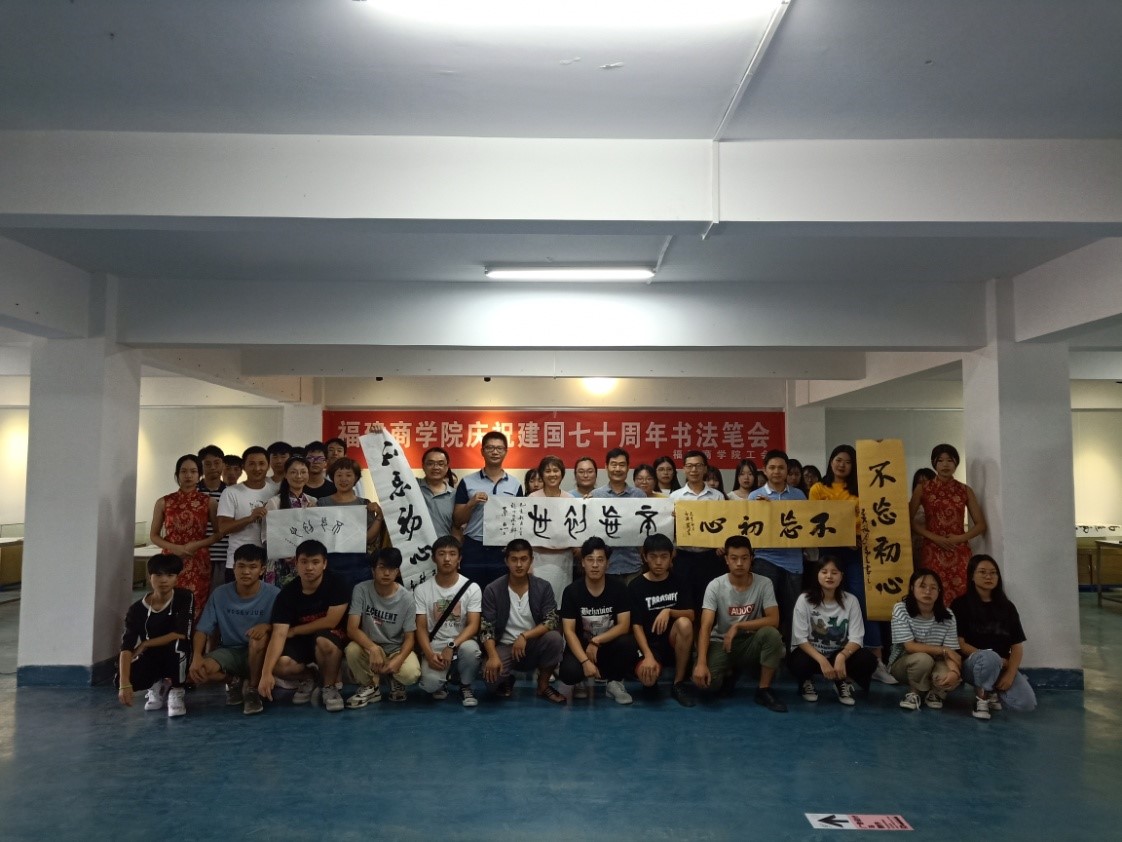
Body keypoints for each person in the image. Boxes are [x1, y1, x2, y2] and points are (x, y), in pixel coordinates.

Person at [809, 444, 894, 684]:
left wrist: (858, 538)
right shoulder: (818, 488)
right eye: (838, 459)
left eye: (848, 461)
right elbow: (813, 521)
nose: (842, 465)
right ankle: (833, 657)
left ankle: (875, 659)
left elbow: (870, 520)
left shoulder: (862, 490)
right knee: (830, 603)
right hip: (828, 553)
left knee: (862, 601)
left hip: (856, 553)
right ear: (831, 461)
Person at [692, 535, 787, 712]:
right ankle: (730, 671)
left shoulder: (764, 583)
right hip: (722, 642)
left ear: (752, 559)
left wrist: (738, 626)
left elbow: (774, 619)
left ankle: (764, 689)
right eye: (734, 558)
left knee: (772, 634)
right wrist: (701, 663)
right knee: (706, 684)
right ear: (726, 560)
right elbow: (705, 626)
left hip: (751, 641)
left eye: (744, 558)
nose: (739, 563)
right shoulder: (715, 585)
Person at [258, 539, 350, 713]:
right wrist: (266, 673)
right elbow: (279, 634)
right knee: (278, 664)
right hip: (301, 642)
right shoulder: (287, 594)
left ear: (324, 564)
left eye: (315, 562)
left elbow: (331, 621)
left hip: (328, 636)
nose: (309, 567)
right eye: (304, 562)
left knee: (324, 642)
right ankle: (310, 676)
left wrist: (294, 630)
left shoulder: (338, 583)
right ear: (296, 563)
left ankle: (329, 687)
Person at [187, 544, 279, 715]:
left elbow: (286, 627)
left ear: (262, 570)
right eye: (241, 566)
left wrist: (267, 627)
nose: (246, 572)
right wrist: (197, 656)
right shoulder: (220, 594)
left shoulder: (274, 594)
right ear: (233, 567)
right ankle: (234, 681)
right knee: (198, 671)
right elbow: (202, 629)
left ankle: (252, 690)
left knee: (258, 639)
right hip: (230, 651)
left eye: (252, 567)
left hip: (260, 653)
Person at [951, 554, 1037, 720]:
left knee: (1025, 704)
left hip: (1001, 666)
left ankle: (991, 689)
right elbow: (959, 643)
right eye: (982, 572)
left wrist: (1010, 673)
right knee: (990, 658)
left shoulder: (1007, 607)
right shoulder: (960, 605)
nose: (988, 576)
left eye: (993, 573)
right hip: (971, 665)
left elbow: (1017, 646)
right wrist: (992, 659)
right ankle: (981, 699)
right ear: (972, 576)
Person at [481, 539, 566, 704]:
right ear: (506, 561)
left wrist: (525, 636)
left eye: (523, 559)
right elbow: (487, 628)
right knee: (490, 681)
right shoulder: (493, 589)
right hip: (504, 646)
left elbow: (552, 620)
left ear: (531, 560)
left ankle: (543, 685)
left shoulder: (543, 587)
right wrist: (492, 656)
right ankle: (506, 679)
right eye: (514, 559)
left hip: (532, 644)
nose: (519, 564)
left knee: (555, 639)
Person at [788, 555, 877, 706]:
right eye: (824, 572)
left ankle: (841, 680)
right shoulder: (804, 599)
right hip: (812, 655)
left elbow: (857, 638)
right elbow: (800, 638)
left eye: (834, 572)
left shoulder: (851, 600)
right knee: (798, 662)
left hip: (837, 654)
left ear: (841, 576)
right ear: (817, 575)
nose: (829, 576)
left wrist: (842, 656)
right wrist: (821, 659)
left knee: (868, 660)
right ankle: (806, 681)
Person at [559, 537, 638, 705]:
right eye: (590, 560)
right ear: (583, 562)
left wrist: (596, 641)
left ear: (607, 563)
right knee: (568, 673)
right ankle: (580, 679)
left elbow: (624, 626)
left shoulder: (619, 588)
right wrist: (585, 661)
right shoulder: (571, 591)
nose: (595, 565)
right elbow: (569, 631)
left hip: (607, 646)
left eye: (600, 560)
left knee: (629, 642)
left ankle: (614, 682)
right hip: (581, 647)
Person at [117, 554, 193, 718]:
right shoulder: (136, 609)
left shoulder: (184, 597)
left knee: (178, 646)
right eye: (158, 575)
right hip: (151, 656)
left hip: (175, 652)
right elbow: (127, 646)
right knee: (120, 676)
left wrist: (145, 644)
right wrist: (124, 684)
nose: (164, 580)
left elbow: (180, 633)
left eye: (170, 575)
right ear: (150, 577)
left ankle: (177, 690)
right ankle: (157, 685)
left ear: (177, 578)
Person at [909, 443, 987, 604]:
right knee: (931, 593)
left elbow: (981, 525)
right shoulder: (923, 488)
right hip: (932, 550)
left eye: (950, 460)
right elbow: (908, 520)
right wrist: (934, 537)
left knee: (962, 595)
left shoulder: (965, 490)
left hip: (959, 550)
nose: (945, 464)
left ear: (956, 463)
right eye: (940, 460)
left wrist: (959, 538)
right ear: (934, 463)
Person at [345, 548, 421, 707]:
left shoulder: (407, 598)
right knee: (351, 650)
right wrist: (373, 648)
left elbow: (410, 639)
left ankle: (395, 678)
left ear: (398, 572)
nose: (387, 573)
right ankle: (370, 686)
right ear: (373, 570)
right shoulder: (361, 589)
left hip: (395, 649)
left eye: (392, 568)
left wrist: (399, 659)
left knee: (411, 674)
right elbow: (352, 629)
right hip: (369, 647)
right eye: (381, 567)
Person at [414, 536, 483, 707]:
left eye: (452, 554)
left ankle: (465, 685)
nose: (447, 558)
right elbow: (421, 627)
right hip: (435, 646)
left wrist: (451, 645)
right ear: (433, 558)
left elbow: (473, 625)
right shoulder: (422, 589)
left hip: (461, 643)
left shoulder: (472, 588)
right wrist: (429, 654)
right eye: (441, 554)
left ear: (459, 558)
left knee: (471, 651)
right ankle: (442, 681)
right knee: (430, 686)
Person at [629, 533, 696, 707]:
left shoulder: (679, 581)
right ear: (645, 557)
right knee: (648, 679)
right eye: (653, 557)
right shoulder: (636, 586)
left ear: (671, 556)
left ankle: (678, 683)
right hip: (650, 645)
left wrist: (669, 611)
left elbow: (691, 614)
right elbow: (636, 626)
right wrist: (648, 656)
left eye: (664, 557)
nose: (659, 562)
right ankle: (652, 678)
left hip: (674, 642)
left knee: (684, 623)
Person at [150, 454, 220, 620]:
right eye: (184, 471)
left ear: (199, 475)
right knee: (169, 602)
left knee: (196, 605)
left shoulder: (209, 502)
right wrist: (175, 548)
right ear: (177, 474)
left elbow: (218, 534)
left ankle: (193, 637)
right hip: (170, 561)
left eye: (193, 471)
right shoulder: (164, 502)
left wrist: (196, 545)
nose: (188, 475)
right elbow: (154, 535)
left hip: (198, 560)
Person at [748, 449, 807, 643]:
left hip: (793, 561)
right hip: (765, 559)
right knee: (765, 610)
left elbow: (806, 527)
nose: (776, 471)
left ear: (787, 470)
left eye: (781, 468)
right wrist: (763, 510)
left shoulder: (799, 495)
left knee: (792, 611)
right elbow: (749, 529)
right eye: (772, 467)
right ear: (764, 470)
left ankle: (791, 652)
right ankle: (766, 649)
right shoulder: (755, 496)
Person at [453, 431, 523, 587]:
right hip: (474, 547)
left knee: (500, 593)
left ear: (506, 451)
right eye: (490, 448)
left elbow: (519, 522)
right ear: (482, 451)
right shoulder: (467, 482)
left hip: (502, 549)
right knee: (471, 591)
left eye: (499, 448)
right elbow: (457, 521)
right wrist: (471, 503)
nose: (495, 452)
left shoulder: (515, 484)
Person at [889, 568, 961, 711]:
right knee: (923, 659)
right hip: (904, 663)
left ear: (939, 591)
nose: (928, 591)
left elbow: (951, 653)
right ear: (912, 588)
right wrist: (944, 650)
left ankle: (935, 693)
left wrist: (955, 673)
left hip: (937, 661)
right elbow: (910, 646)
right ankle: (914, 693)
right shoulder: (901, 609)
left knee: (948, 674)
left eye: (933, 588)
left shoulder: (948, 615)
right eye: (922, 586)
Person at [318, 457, 385, 590]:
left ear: (356, 478)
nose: (343, 479)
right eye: (339, 475)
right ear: (332, 477)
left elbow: (369, 539)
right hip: (330, 563)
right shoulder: (322, 503)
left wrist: (380, 516)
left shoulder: (364, 504)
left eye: (348, 475)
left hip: (359, 565)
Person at [670, 451, 727, 604]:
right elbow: (669, 528)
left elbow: (724, 525)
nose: (694, 470)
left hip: (710, 556)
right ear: (684, 469)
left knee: (709, 599)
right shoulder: (675, 496)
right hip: (683, 556)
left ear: (705, 468)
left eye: (698, 465)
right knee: (684, 598)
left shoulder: (717, 496)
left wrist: (721, 544)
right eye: (689, 466)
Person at [590, 447, 647, 585]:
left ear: (628, 468)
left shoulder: (639, 495)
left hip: (633, 566)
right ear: (606, 467)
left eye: (622, 465)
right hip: (606, 568)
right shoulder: (595, 496)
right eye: (613, 464)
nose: (617, 469)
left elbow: (646, 530)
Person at [217, 446, 272, 583]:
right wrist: (250, 518)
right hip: (238, 563)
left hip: (269, 563)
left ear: (268, 466)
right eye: (251, 464)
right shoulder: (231, 492)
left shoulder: (275, 491)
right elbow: (223, 528)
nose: (257, 468)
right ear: (244, 467)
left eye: (261, 463)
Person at [527, 454, 576, 606]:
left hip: (563, 560)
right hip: (538, 559)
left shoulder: (570, 499)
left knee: (560, 602)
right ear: (542, 474)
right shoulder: (532, 498)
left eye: (556, 470)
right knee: (538, 602)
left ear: (562, 473)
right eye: (547, 471)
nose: (552, 474)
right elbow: (526, 534)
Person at [264, 455, 317, 586]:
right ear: (286, 475)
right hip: (280, 563)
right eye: (293, 472)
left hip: (307, 563)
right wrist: (283, 551)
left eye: (303, 472)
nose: (299, 476)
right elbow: (266, 537)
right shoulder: (274, 502)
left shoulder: (313, 501)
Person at [197, 444, 229, 590]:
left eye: (217, 463)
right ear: (201, 466)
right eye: (208, 464)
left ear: (223, 464)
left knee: (218, 594)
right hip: (196, 555)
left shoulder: (230, 492)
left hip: (223, 555)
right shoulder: (193, 491)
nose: (213, 467)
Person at [419, 446, 457, 539]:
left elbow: (457, 528)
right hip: (415, 546)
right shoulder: (412, 487)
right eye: (430, 463)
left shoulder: (455, 495)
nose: (435, 467)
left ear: (447, 467)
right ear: (423, 466)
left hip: (443, 546)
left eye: (440, 464)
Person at [910, 467, 937, 570]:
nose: (923, 486)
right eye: (919, 483)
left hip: (935, 547)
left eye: (926, 482)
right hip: (915, 549)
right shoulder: (910, 506)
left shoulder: (940, 505)